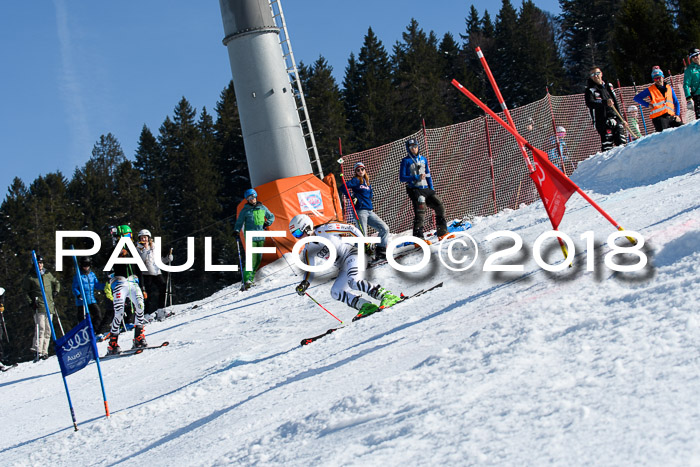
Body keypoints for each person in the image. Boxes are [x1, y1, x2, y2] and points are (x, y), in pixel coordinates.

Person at [288, 214, 401, 319]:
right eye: (294, 235)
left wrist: (364, 243)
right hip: (343, 266)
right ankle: (365, 306)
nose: (298, 238)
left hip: (353, 255)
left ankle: (386, 295)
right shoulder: (308, 249)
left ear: (306, 227)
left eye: (298, 233)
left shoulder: (325, 229)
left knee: (354, 281)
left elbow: (351, 229)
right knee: (336, 291)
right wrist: (305, 283)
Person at [106, 225, 148, 354]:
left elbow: (140, 269)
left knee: (140, 306)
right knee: (119, 312)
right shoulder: (114, 250)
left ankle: (138, 336)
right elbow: (108, 267)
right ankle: (113, 342)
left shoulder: (133, 250)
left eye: (130, 236)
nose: (129, 238)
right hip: (119, 282)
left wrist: (143, 288)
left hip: (132, 281)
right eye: (126, 236)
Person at [399, 138, 449, 241]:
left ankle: (442, 232)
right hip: (415, 189)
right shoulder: (405, 161)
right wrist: (415, 177)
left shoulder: (423, 159)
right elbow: (402, 178)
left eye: (415, 147)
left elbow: (428, 175)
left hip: (426, 188)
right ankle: (419, 239)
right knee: (421, 212)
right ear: (408, 149)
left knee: (439, 205)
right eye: (411, 147)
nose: (414, 149)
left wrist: (431, 188)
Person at [342, 161, 391, 261]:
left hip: (369, 211)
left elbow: (370, 194)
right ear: (356, 172)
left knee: (384, 228)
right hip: (360, 211)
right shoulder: (356, 180)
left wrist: (369, 198)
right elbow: (343, 187)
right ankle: (355, 258)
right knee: (362, 235)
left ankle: (380, 251)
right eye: (358, 170)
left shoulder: (367, 182)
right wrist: (350, 197)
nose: (360, 171)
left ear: (365, 170)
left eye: (362, 169)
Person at [233, 188, 275, 291]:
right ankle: (246, 280)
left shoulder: (262, 208)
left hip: (260, 237)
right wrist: (236, 230)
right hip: (251, 238)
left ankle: (250, 280)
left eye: (253, 197)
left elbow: (271, 216)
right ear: (247, 200)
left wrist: (267, 223)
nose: (252, 199)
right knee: (251, 260)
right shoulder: (245, 211)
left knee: (257, 260)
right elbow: (239, 222)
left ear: (255, 196)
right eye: (249, 198)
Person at [21, 254, 60, 362]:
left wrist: (56, 291)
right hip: (39, 306)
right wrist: (31, 302)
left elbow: (56, 282)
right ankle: (37, 350)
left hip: (49, 305)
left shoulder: (47, 274)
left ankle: (44, 351)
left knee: (48, 329)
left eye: (41, 263)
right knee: (41, 328)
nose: (40, 265)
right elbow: (25, 291)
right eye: (38, 263)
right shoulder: (31, 276)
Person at [585, 66, 625, 152]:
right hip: (602, 121)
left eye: (597, 73)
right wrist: (604, 102)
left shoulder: (608, 86)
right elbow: (590, 103)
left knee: (621, 141)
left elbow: (615, 102)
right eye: (593, 74)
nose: (595, 76)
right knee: (607, 146)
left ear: (601, 74)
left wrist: (621, 119)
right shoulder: (589, 90)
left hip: (615, 117)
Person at [634, 66, 682, 133]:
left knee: (683, 129)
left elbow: (676, 102)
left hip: (671, 116)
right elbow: (636, 98)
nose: (658, 80)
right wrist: (647, 104)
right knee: (665, 134)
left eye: (659, 78)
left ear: (662, 77)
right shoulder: (650, 90)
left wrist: (677, 115)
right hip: (659, 118)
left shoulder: (669, 88)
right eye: (655, 79)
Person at [136, 229, 172, 315]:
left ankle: (161, 309)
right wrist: (144, 250)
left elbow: (158, 260)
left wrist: (167, 259)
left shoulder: (154, 246)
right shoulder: (138, 248)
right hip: (146, 274)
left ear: (148, 238)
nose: (143, 239)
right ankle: (146, 314)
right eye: (142, 238)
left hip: (156, 272)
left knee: (163, 288)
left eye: (145, 237)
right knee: (148, 294)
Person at [72, 257, 111, 334]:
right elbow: (74, 287)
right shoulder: (78, 276)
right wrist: (78, 295)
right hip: (82, 302)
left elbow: (96, 285)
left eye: (88, 265)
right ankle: (84, 334)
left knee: (97, 314)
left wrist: (106, 285)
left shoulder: (92, 275)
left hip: (91, 299)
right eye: (84, 265)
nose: (86, 267)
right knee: (82, 319)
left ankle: (95, 331)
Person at [683, 48, 700, 119]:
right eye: (693, 57)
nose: (695, 57)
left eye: (696, 55)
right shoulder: (690, 70)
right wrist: (689, 99)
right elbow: (686, 85)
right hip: (698, 96)